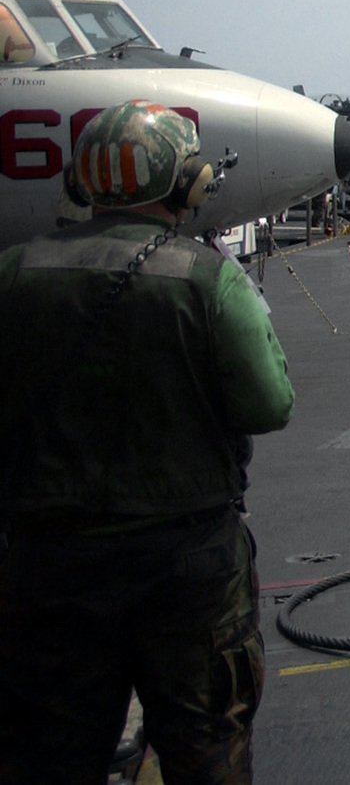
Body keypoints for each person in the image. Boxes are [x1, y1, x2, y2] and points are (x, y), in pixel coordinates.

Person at [0, 100, 294, 784]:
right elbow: (269, 403)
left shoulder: (13, 273)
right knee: (205, 748)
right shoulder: (204, 278)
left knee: (47, 751)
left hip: (46, 561)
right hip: (185, 565)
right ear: (190, 183)